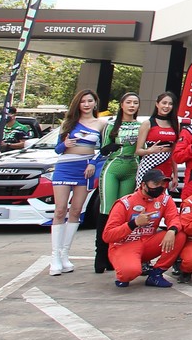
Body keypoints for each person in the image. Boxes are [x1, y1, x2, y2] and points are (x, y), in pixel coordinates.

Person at [50, 88, 104, 276]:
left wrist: (93, 163)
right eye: (83, 101)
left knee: (76, 210)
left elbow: (104, 149)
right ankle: (55, 257)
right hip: (65, 166)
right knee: (60, 210)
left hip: (85, 168)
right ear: (78, 104)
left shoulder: (101, 124)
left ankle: (65, 254)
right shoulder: (68, 123)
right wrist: (64, 144)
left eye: (90, 101)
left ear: (95, 103)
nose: (86, 104)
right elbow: (57, 149)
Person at [102, 168, 182, 288]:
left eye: (162, 184)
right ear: (144, 185)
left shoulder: (165, 199)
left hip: (148, 242)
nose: (160, 187)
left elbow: (174, 218)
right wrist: (133, 223)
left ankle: (156, 273)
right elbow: (107, 236)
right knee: (130, 272)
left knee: (179, 235)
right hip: (125, 245)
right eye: (156, 183)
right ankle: (125, 270)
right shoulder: (125, 203)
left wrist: (172, 230)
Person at [93, 92, 142, 274]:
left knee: (123, 213)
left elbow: (143, 148)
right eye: (128, 102)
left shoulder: (141, 126)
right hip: (113, 167)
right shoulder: (111, 125)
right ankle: (100, 254)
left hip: (132, 168)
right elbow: (103, 149)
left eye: (135, 103)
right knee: (106, 210)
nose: (132, 105)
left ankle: (116, 254)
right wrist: (108, 147)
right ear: (121, 104)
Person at [137, 92, 182, 187]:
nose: (167, 106)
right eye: (164, 103)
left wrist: (175, 174)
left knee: (162, 194)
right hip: (150, 164)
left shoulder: (175, 124)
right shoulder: (148, 123)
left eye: (170, 104)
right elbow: (138, 151)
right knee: (146, 192)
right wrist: (149, 151)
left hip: (167, 165)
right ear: (157, 104)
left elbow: (174, 151)